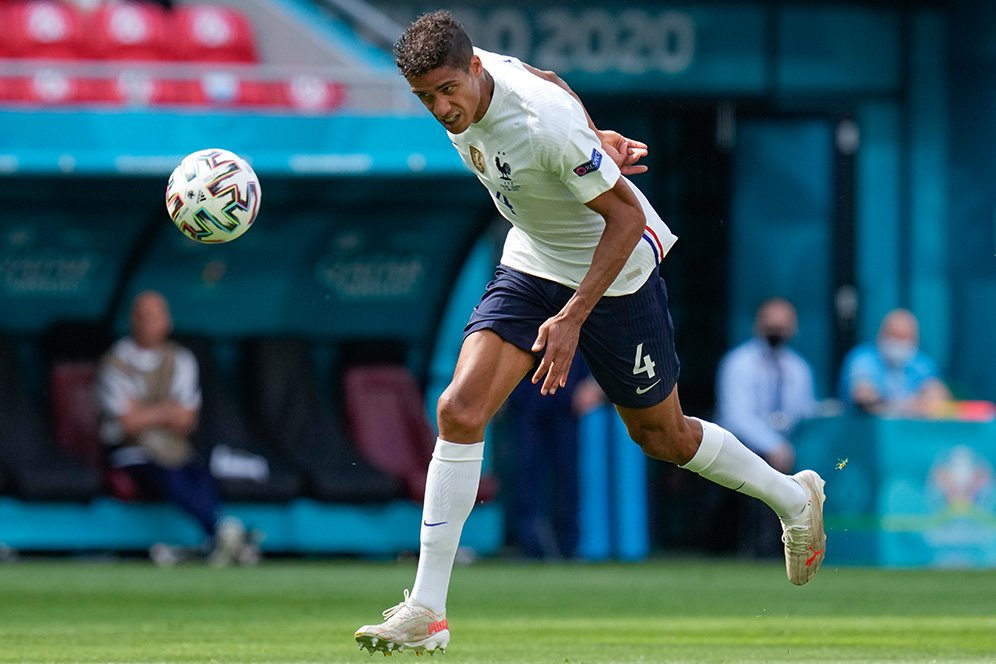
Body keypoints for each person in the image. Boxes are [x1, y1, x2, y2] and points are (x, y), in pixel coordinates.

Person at [354, 11, 827, 655]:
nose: (441, 108)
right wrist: (593, 137)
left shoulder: (538, 123)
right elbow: (548, 75)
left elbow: (627, 219)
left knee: (662, 436)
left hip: (618, 273)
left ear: (473, 69)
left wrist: (574, 315)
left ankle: (792, 499)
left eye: (446, 90)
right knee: (458, 410)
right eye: (425, 98)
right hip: (534, 259)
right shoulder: (488, 77)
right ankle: (426, 609)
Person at [96, 290, 249, 566]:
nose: (152, 323)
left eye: (157, 316)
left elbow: (187, 419)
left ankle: (217, 537)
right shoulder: (115, 360)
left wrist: (146, 413)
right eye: (145, 316)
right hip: (129, 450)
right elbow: (127, 423)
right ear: (133, 320)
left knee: (200, 472)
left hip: (173, 447)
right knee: (167, 473)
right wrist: (166, 411)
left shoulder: (180, 358)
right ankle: (224, 534)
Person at [715, 297, 818, 557]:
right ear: (758, 326)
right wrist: (772, 444)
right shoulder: (738, 363)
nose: (777, 332)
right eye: (771, 325)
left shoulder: (798, 368)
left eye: (782, 326)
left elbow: (804, 414)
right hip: (743, 446)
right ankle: (757, 549)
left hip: (786, 448)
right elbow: (735, 416)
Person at [838, 308, 951, 418]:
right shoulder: (864, 358)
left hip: (906, 432)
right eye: (894, 336)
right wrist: (906, 406)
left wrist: (929, 400)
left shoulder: (920, 362)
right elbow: (864, 396)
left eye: (905, 338)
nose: (899, 343)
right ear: (881, 335)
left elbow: (938, 396)